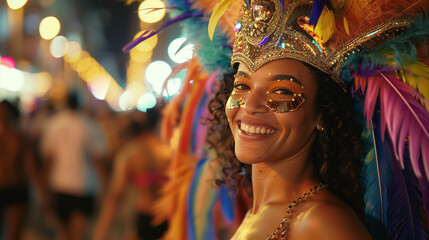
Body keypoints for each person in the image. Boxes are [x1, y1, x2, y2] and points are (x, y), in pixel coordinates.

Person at [92, 109, 171, 240]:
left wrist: (100, 233)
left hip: (143, 219)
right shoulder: (167, 150)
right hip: (167, 218)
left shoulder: (129, 154)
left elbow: (116, 196)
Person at [40, 91, 107, 240]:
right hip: (84, 185)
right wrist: (105, 184)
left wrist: (43, 189)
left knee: (63, 231)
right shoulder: (89, 125)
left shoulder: (54, 124)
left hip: (59, 184)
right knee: (79, 232)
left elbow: (47, 160)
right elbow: (98, 158)